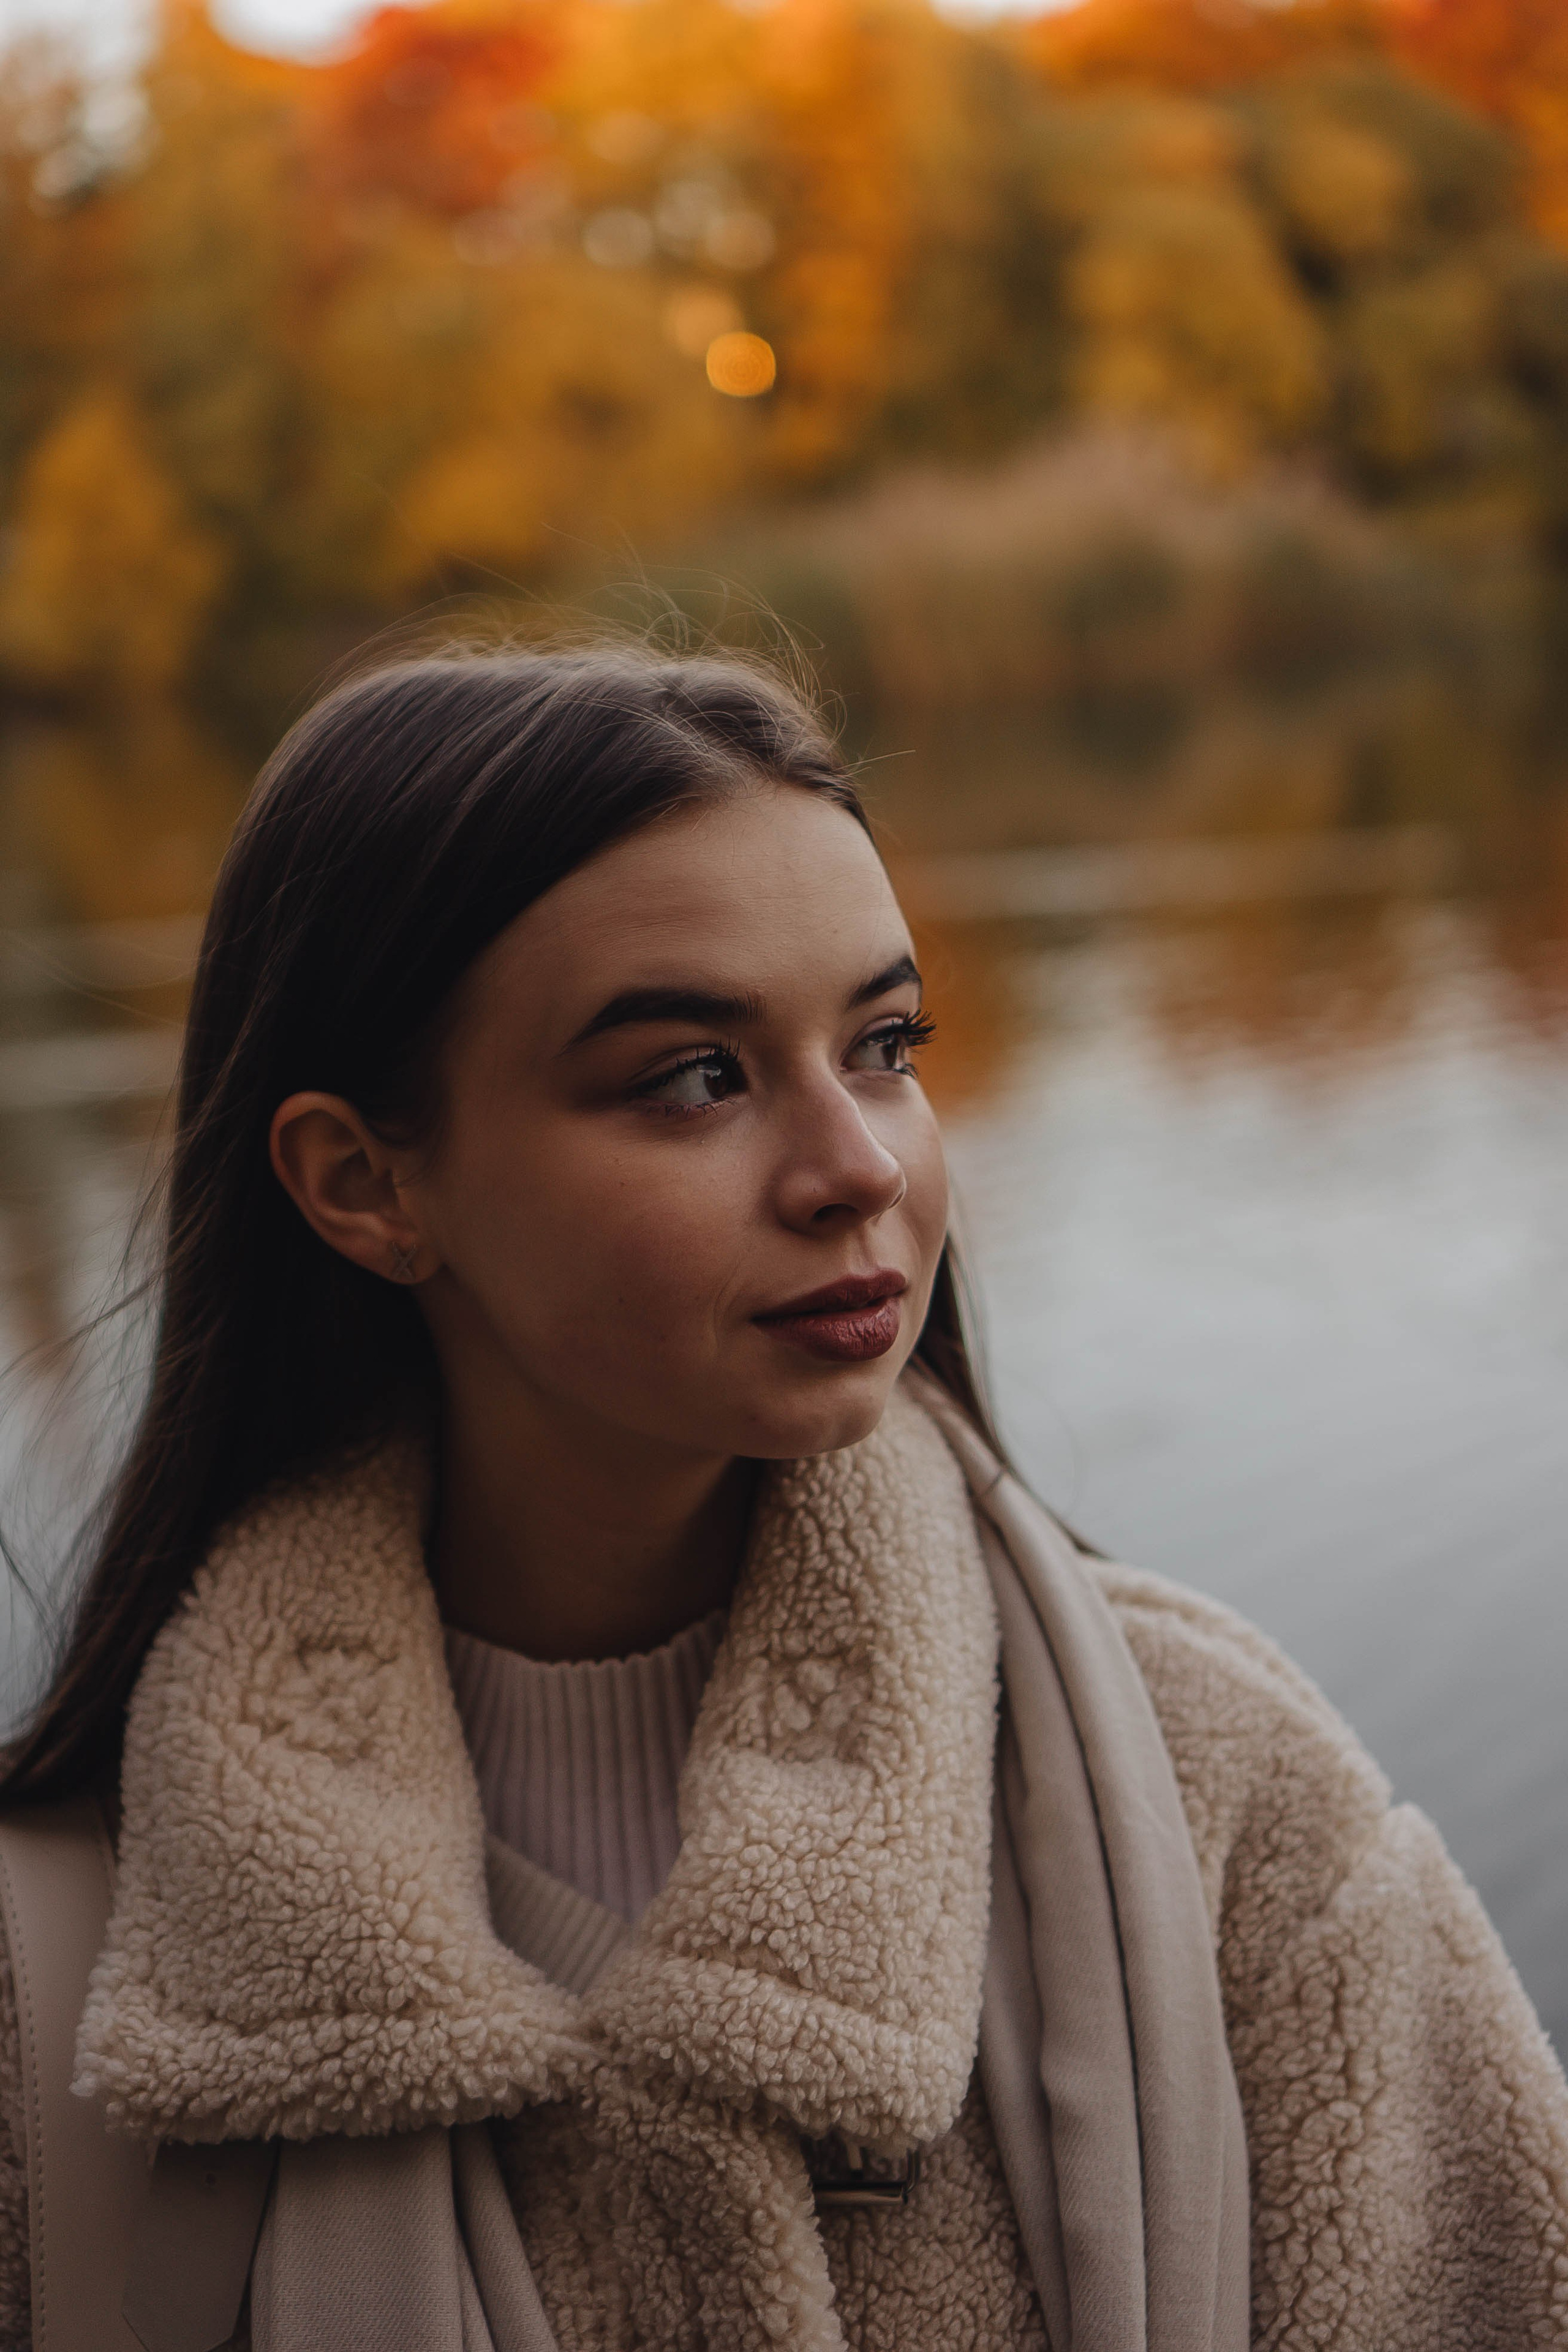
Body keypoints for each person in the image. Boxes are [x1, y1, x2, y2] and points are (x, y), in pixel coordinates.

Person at [0, 643, 1562, 2352]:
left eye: (885, 1042)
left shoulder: (1228, 1801)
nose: (862, 1169)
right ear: (365, 1183)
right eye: (696, 1075)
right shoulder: (58, 1968)